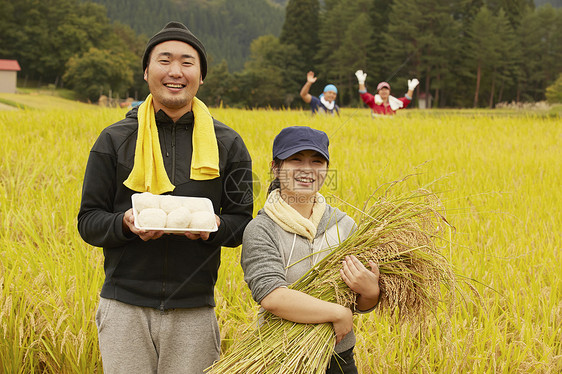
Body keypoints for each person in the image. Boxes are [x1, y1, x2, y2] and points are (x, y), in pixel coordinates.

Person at [77, 21, 253, 374]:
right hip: (124, 307)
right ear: (146, 71)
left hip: (194, 311)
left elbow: (243, 224)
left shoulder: (227, 144)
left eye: (188, 63)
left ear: (201, 76)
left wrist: (213, 227)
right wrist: (125, 223)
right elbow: (88, 221)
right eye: (164, 60)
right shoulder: (114, 140)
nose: (176, 71)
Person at [241, 126, 380, 373]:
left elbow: (359, 302)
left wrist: (371, 291)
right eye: (296, 160)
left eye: (317, 161)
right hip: (281, 358)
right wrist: (337, 313)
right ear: (275, 167)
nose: (307, 170)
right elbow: (272, 296)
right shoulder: (261, 229)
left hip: (339, 359)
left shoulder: (345, 225)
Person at [355, 70, 419, 116]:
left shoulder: (393, 102)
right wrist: (361, 82)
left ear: (389, 91)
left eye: (386, 89)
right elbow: (364, 95)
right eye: (382, 89)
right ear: (378, 92)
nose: (384, 91)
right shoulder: (373, 101)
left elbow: (406, 100)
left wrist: (411, 89)